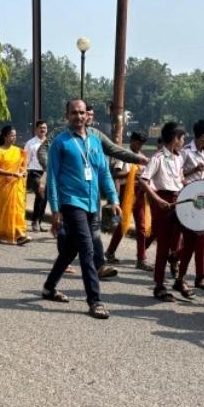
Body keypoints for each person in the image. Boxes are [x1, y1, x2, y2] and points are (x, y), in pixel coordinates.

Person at [41, 99, 120, 319]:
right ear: (67, 115)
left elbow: (104, 172)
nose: (78, 116)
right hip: (71, 203)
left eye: (82, 112)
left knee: (70, 250)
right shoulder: (60, 142)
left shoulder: (95, 142)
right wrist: (55, 210)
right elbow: (53, 178)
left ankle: (49, 287)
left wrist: (113, 198)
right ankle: (95, 301)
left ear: (87, 115)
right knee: (87, 249)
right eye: (74, 113)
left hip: (92, 203)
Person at [139, 122, 188, 302]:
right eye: (182, 138)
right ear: (175, 139)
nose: (184, 141)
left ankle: (177, 271)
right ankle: (159, 285)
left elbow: (180, 179)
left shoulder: (178, 158)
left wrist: (192, 185)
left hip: (178, 200)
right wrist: (157, 199)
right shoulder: (158, 157)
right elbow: (143, 180)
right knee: (164, 244)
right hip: (163, 202)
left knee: (185, 239)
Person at [176, 119, 204, 295]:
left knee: (201, 238)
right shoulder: (185, 152)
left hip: (203, 198)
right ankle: (185, 274)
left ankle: (199, 275)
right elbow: (177, 176)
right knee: (193, 238)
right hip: (188, 198)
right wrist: (193, 171)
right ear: (202, 136)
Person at [104, 132, 153, 271]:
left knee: (141, 226)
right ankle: (110, 251)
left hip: (140, 193)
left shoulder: (142, 157)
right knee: (123, 225)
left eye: (141, 144)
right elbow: (115, 174)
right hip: (127, 192)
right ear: (131, 141)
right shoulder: (124, 155)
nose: (139, 146)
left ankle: (141, 259)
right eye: (137, 143)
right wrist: (131, 174)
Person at [0, 125, 29, 245]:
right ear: (5, 136)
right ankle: (4, 233)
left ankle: (19, 234)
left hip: (16, 185)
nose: (14, 138)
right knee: (4, 210)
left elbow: (22, 166)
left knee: (18, 209)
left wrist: (23, 171)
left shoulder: (18, 151)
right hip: (2, 186)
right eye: (11, 135)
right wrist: (11, 173)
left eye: (15, 135)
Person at [24, 120, 49, 232]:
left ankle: (39, 221)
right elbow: (25, 159)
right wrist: (24, 172)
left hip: (47, 172)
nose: (43, 130)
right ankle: (35, 221)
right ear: (36, 129)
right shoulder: (30, 143)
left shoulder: (50, 142)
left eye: (44, 128)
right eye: (40, 128)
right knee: (40, 194)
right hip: (35, 172)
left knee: (45, 198)